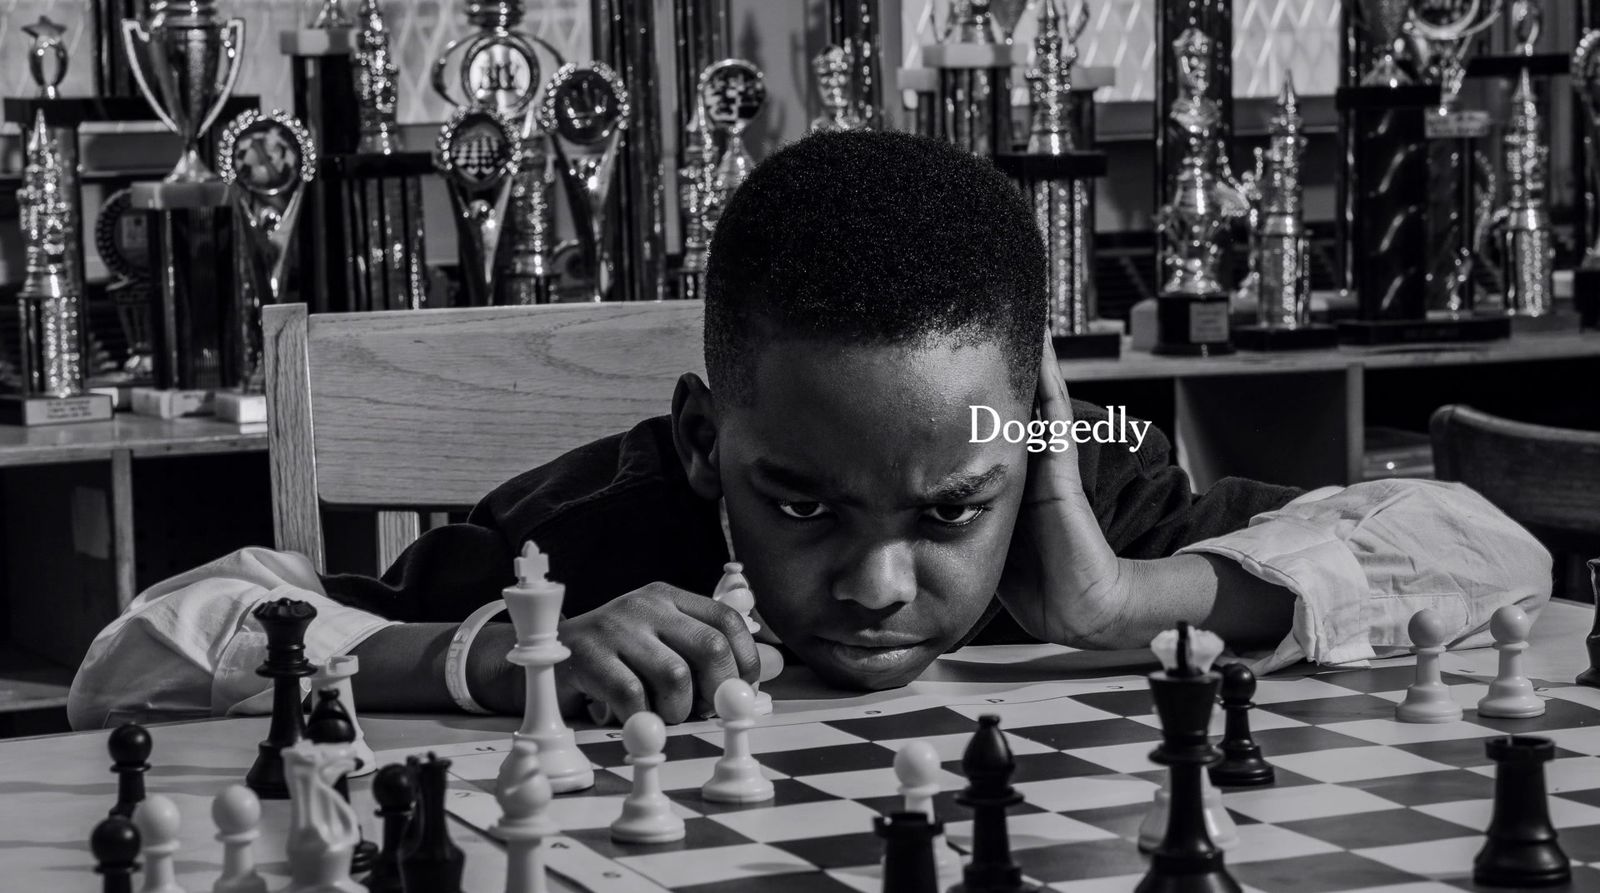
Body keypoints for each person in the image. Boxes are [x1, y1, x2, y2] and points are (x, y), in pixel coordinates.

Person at [69, 131, 1551, 730]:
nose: (879, 584)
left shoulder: (1080, 490)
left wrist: (1124, 595)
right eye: (802, 503)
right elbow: (131, 658)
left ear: (1024, 429)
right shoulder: (587, 540)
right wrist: (470, 654)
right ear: (707, 439)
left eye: (952, 508)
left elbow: (1490, 543)